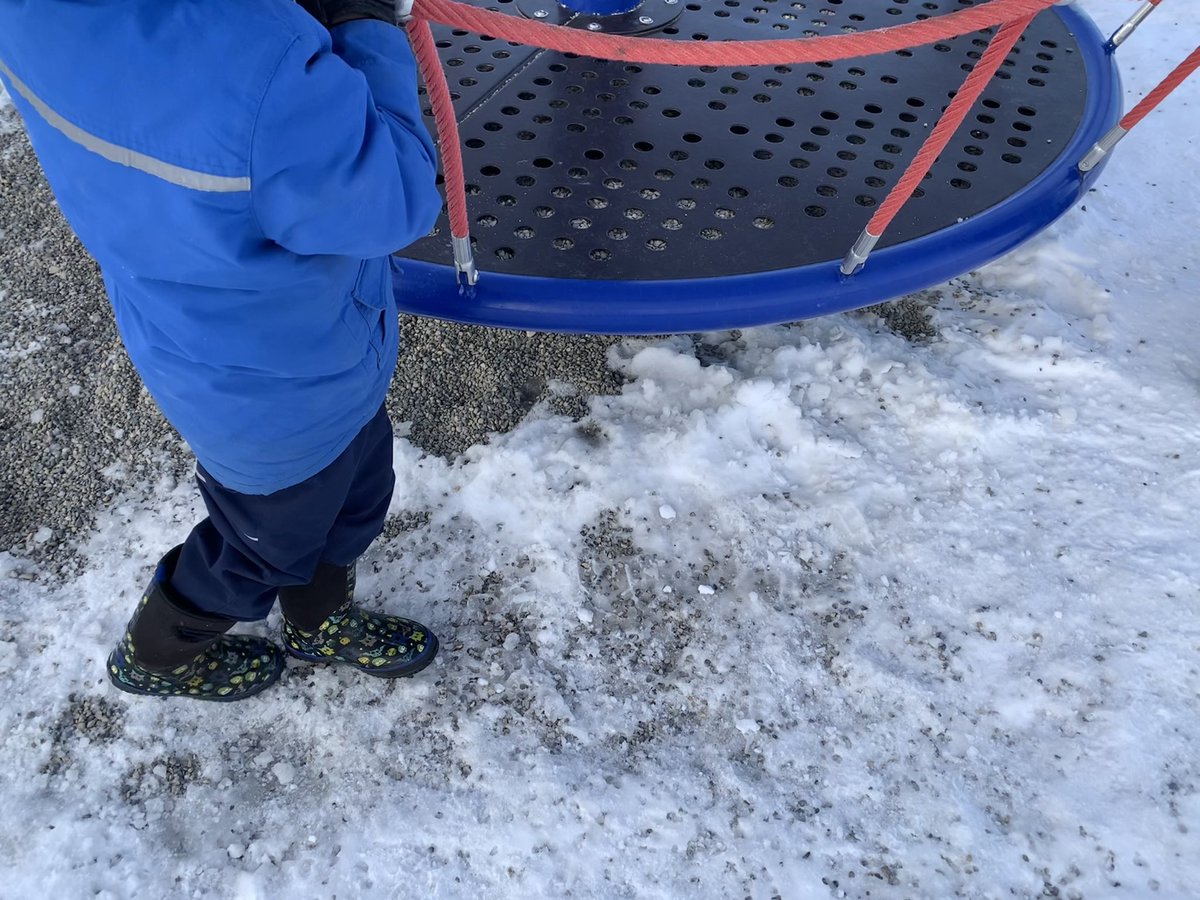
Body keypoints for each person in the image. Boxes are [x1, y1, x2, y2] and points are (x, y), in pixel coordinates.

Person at [0, 0, 444, 700]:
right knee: (259, 548)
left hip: (213, 341)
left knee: (354, 495)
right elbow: (398, 195)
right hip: (281, 385)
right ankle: (156, 655)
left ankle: (316, 620)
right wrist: (366, 25)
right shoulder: (260, 65)